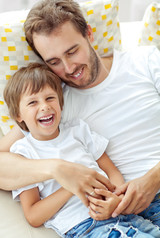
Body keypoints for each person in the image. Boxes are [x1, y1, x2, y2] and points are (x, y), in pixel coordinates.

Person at [0, 0, 160, 225]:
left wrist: (153, 179)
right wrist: (57, 169)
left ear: (89, 34)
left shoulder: (144, 60)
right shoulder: (54, 104)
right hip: (116, 215)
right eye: (54, 62)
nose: (68, 68)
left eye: (72, 51)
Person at [4, 62, 160, 238]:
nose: (44, 106)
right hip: (86, 226)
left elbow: (112, 171)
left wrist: (115, 199)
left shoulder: (79, 130)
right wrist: (73, 186)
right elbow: (33, 215)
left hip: (121, 214)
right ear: (18, 115)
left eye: (50, 98)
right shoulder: (23, 153)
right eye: (33, 102)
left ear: (61, 103)